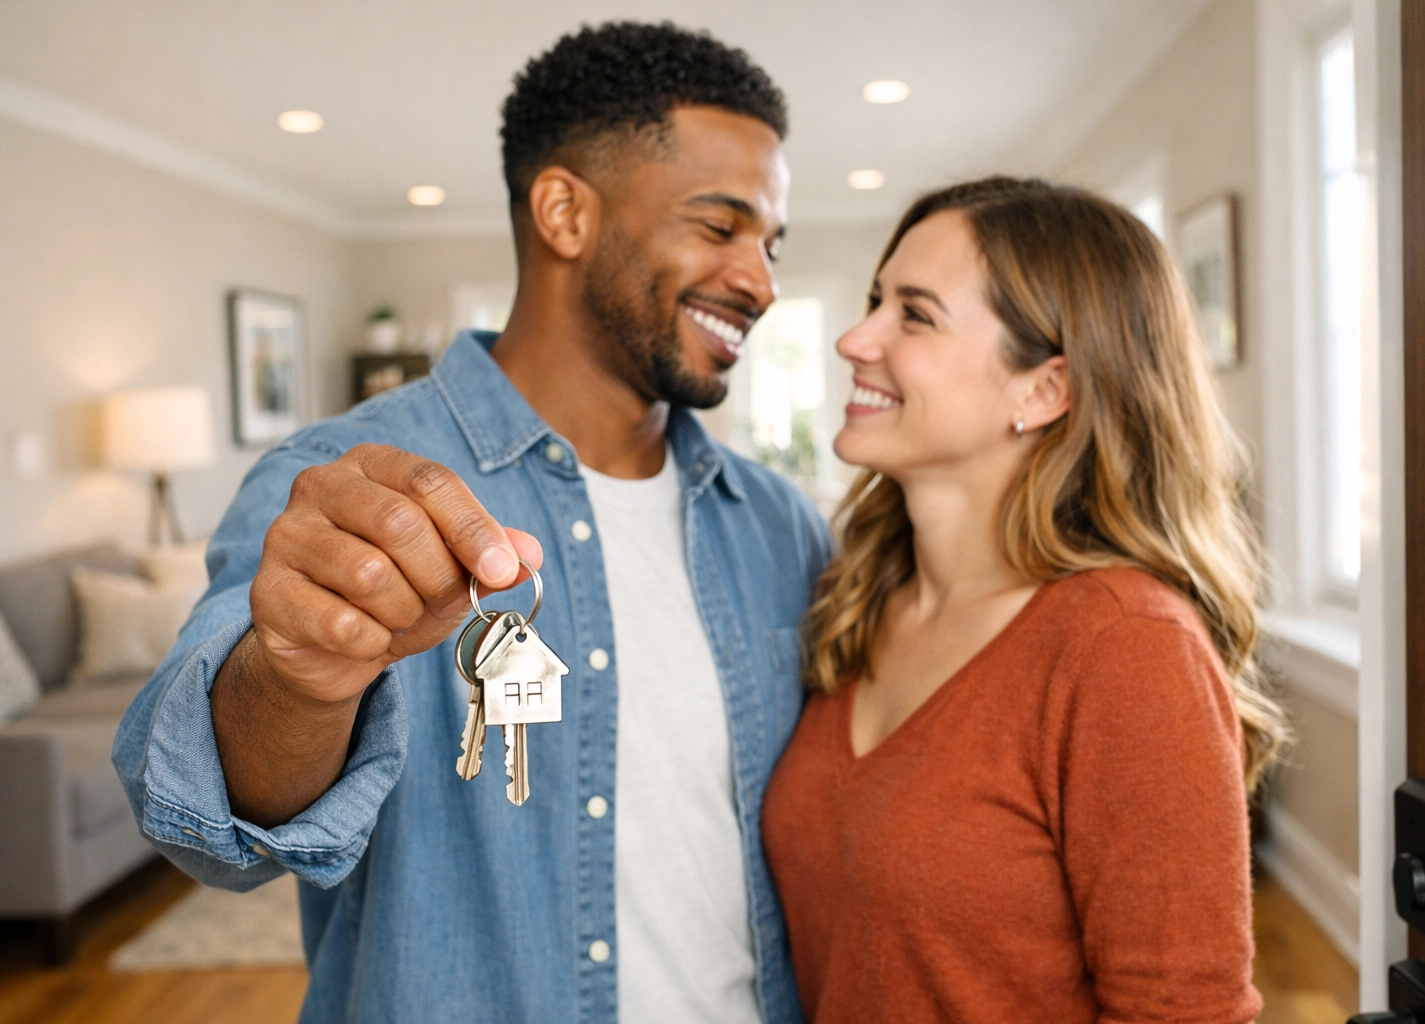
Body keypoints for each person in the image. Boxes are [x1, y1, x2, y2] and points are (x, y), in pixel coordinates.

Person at [115, 23, 828, 1024]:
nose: (762, 281)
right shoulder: (339, 485)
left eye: (772, 242)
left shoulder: (783, 527)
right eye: (721, 227)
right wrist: (294, 678)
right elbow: (201, 831)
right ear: (565, 211)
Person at [761, 177, 1288, 1024]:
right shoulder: (860, 595)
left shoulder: (1125, 648)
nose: (856, 339)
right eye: (873, 301)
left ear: (1043, 390)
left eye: (915, 314)